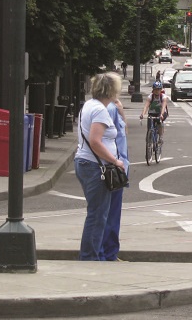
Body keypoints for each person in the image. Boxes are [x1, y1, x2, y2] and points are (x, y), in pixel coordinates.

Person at [75, 72, 125, 261]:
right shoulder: (100, 111)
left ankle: (90, 255)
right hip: (96, 166)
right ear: (112, 91)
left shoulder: (88, 105)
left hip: (86, 163)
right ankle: (90, 257)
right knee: (98, 215)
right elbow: (95, 141)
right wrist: (115, 160)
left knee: (96, 213)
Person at [101, 98, 129, 261]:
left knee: (111, 213)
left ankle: (110, 253)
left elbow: (123, 132)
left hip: (119, 164)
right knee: (109, 214)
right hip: (114, 167)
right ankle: (107, 254)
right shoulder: (109, 108)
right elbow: (110, 137)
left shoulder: (114, 107)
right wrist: (117, 162)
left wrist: (122, 112)